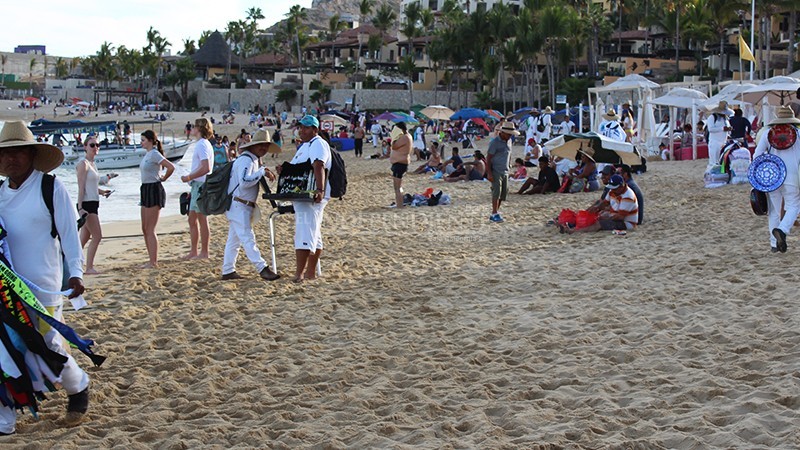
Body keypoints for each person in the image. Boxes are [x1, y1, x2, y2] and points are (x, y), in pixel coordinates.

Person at [0, 121, 91, 432]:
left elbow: (69, 236)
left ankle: (78, 386)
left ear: (31, 154)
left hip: (44, 290)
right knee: (6, 350)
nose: (10, 159)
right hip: (5, 291)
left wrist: (76, 274)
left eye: (17, 152)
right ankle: (5, 419)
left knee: (48, 345)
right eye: (4, 154)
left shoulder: (50, 188)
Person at [278, 115, 332, 282]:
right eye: (300, 127)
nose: (302, 130)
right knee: (313, 234)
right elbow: (299, 168)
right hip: (303, 194)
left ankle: (299, 274)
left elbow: (318, 165)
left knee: (304, 232)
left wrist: (320, 189)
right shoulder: (305, 146)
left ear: (315, 130)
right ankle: (310, 273)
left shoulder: (318, 143)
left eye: (306, 128)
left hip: (311, 195)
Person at [222, 129, 280, 281]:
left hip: (239, 205)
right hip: (239, 205)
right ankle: (262, 268)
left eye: (266, 146)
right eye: (261, 145)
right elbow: (245, 181)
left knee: (234, 240)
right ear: (253, 146)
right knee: (248, 238)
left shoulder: (251, 160)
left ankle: (228, 270)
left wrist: (261, 170)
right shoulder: (247, 160)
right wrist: (261, 172)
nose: (264, 149)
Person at [753, 106, 800, 253]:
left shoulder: (768, 133)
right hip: (793, 174)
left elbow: (757, 155)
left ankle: (774, 244)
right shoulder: (798, 133)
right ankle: (782, 230)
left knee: (774, 209)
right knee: (793, 205)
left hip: (772, 175)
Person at [76, 135, 111, 275]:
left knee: (83, 239)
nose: (95, 147)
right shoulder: (83, 164)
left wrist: (102, 192)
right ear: (85, 147)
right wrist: (80, 208)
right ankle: (89, 267)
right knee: (97, 236)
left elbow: (92, 186)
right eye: (92, 145)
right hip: (86, 205)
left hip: (93, 202)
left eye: (97, 145)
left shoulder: (93, 164)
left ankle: (72, 264)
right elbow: (81, 187)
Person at [139, 130, 175, 268]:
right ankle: (150, 259)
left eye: (143, 140)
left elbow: (170, 167)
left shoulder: (154, 153)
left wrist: (164, 178)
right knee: (144, 228)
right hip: (145, 189)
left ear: (150, 140)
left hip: (154, 189)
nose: (141, 142)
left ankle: (153, 262)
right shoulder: (147, 154)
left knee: (150, 228)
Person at [180, 118, 214, 260]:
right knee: (192, 219)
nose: (192, 129)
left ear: (199, 128)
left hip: (200, 185)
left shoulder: (202, 145)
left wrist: (189, 177)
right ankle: (194, 251)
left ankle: (204, 252)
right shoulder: (203, 144)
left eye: (194, 126)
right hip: (197, 185)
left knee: (201, 219)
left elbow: (206, 167)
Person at [563, 174, 638, 233]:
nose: (612, 190)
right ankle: (572, 224)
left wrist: (606, 217)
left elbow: (620, 217)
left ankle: (574, 231)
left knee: (599, 223)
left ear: (621, 186)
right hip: (615, 215)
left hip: (626, 223)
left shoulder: (628, 197)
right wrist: (597, 208)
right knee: (595, 214)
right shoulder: (613, 191)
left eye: (614, 188)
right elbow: (605, 203)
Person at [486, 121, 519, 223]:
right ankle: (494, 212)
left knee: (503, 193)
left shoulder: (508, 141)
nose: (510, 136)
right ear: (503, 133)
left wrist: (509, 166)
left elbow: (509, 154)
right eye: (508, 134)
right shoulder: (495, 142)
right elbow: (488, 158)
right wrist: (489, 173)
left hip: (505, 171)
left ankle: (495, 212)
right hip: (496, 170)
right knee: (496, 192)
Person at [390, 122, 413, 208]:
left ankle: (399, 205)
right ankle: (399, 203)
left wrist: (393, 137)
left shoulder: (405, 137)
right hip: (400, 163)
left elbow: (394, 146)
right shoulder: (407, 136)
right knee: (398, 186)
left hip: (400, 163)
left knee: (397, 187)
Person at [706, 101, 732, 170]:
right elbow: (710, 129)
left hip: (723, 142)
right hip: (715, 142)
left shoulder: (726, 119)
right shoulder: (712, 118)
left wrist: (729, 130)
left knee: (722, 161)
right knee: (714, 162)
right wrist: (722, 128)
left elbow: (726, 129)